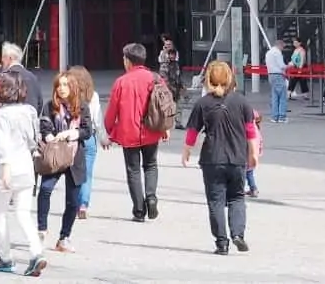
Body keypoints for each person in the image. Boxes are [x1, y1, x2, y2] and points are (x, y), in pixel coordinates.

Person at [181, 60, 259, 255]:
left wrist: (186, 152)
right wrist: (254, 154)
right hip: (237, 157)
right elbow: (251, 132)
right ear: (230, 78)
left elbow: (192, 132)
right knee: (237, 198)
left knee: (215, 201)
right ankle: (238, 234)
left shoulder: (203, 103)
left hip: (212, 159)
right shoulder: (241, 102)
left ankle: (221, 243)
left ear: (208, 79)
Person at [0, 72, 47, 276]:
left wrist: (5, 169)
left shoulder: (1, 115)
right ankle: (37, 252)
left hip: (5, 168)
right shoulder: (29, 111)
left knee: (0, 214)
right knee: (23, 213)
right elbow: (33, 139)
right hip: (26, 165)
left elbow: (2, 145)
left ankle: (5, 257)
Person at [105, 42, 167, 223]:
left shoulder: (121, 82)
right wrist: (164, 128)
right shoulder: (155, 78)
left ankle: (139, 211)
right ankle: (151, 196)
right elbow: (165, 106)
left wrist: (108, 131)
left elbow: (112, 111)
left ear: (128, 61)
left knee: (133, 170)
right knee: (151, 165)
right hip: (152, 129)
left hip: (128, 132)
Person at [36, 72, 92, 254]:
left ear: (73, 87)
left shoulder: (82, 106)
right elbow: (44, 127)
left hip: (75, 157)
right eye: (59, 85)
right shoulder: (49, 106)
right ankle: (41, 230)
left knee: (73, 201)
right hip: (55, 155)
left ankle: (64, 237)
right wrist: (52, 137)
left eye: (66, 85)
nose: (62, 88)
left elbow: (87, 131)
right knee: (45, 189)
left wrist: (71, 133)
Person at [66, 66, 109, 220]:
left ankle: (74, 203)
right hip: (89, 137)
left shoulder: (68, 95)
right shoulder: (94, 96)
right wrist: (104, 138)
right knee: (87, 174)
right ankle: (83, 204)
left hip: (72, 137)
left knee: (73, 174)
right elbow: (97, 120)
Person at [0, 42, 43, 111]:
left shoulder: (6, 77)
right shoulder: (32, 77)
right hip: (31, 118)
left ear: (10, 58)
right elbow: (40, 102)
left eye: (3, 57)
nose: (1, 60)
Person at [158, 35, 183, 130]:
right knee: (165, 104)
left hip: (175, 83)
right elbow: (162, 62)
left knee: (178, 104)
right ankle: (163, 122)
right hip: (166, 83)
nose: (168, 46)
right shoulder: (163, 56)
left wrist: (181, 85)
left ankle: (178, 122)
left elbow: (177, 69)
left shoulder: (175, 55)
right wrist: (165, 52)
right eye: (166, 45)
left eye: (169, 45)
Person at [265, 38, 288, 124]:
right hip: (278, 75)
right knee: (282, 96)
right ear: (280, 45)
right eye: (283, 47)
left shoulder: (268, 52)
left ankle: (274, 117)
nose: (283, 49)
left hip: (271, 75)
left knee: (274, 96)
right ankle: (282, 116)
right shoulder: (277, 53)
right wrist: (289, 65)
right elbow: (281, 66)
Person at [245, 111, 263, 198]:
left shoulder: (249, 128)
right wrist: (259, 152)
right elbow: (260, 142)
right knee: (249, 173)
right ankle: (253, 189)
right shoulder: (257, 129)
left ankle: (239, 189)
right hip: (254, 154)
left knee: (243, 173)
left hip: (247, 154)